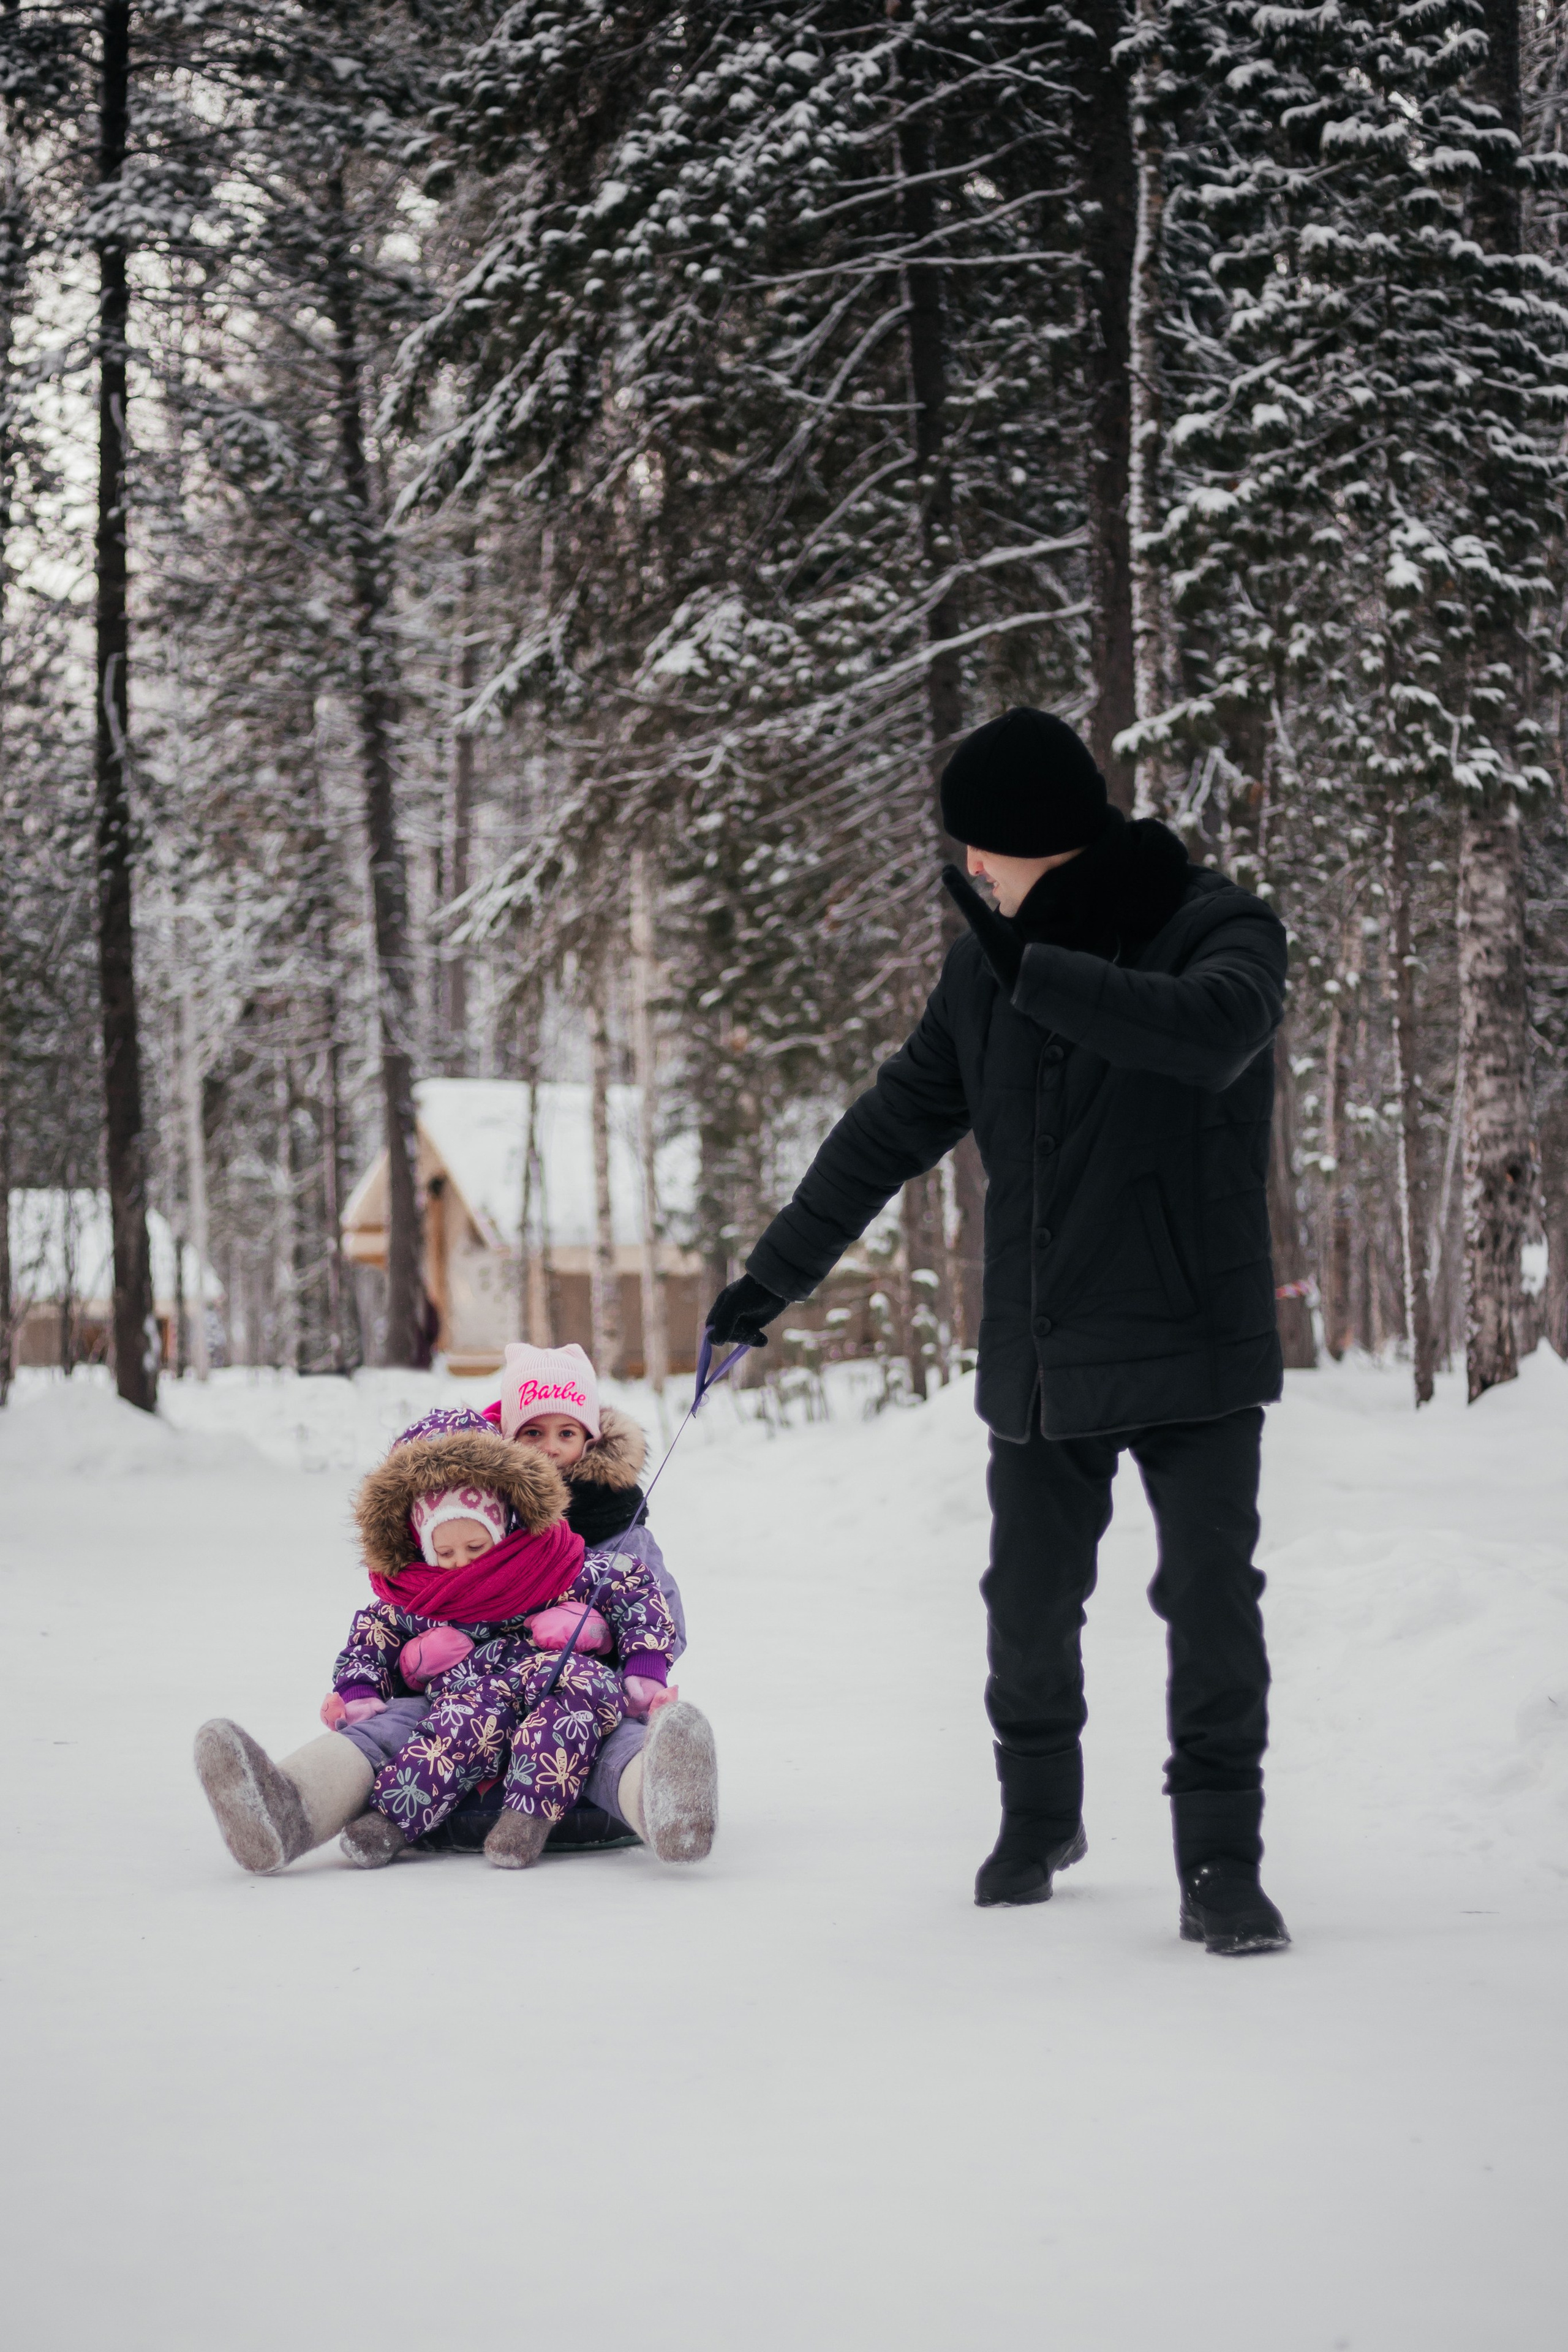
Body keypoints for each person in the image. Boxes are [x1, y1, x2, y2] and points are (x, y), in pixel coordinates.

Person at [706, 706, 1291, 1956]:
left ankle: (1221, 1861)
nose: (969, 867)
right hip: (1044, 1346)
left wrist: (1039, 973)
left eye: (983, 844)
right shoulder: (984, 968)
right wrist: (771, 1279)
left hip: (1192, 1339)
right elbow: (889, 1128)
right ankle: (1036, 1820)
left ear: (1042, 837)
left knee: (1208, 1603)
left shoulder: (1217, 926)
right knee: (1026, 1606)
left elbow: (1213, 1036)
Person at [195, 1393, 714, 1874]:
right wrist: (365, 1687)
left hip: (561, 1693)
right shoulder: (418, 1590)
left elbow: (634, 1590)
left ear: (504, 1521)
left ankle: (668, 1804)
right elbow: (372, 1636)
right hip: (455, 1708)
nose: (462, 1563)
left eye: (476, 1547)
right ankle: (289, 1807)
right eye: (445, 1552)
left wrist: (627, 1655)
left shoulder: (552, 1561)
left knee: (609, 1733)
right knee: (386, 1731)